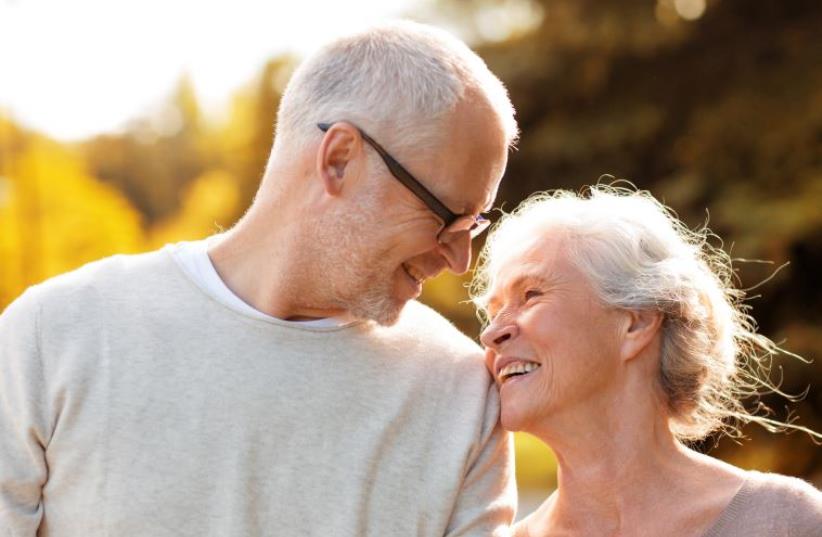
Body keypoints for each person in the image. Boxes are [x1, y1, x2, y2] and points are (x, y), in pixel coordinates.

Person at [0, 22, 519, 536]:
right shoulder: (52, 336)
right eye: (447, 215)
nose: (459, 259)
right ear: (339, 160)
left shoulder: (461, 397)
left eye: (474, 224)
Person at [473, 186, 822, 537]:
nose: (491, 335)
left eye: (531, 295)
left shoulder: (785, 522)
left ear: (635, 323)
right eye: (494, 311)